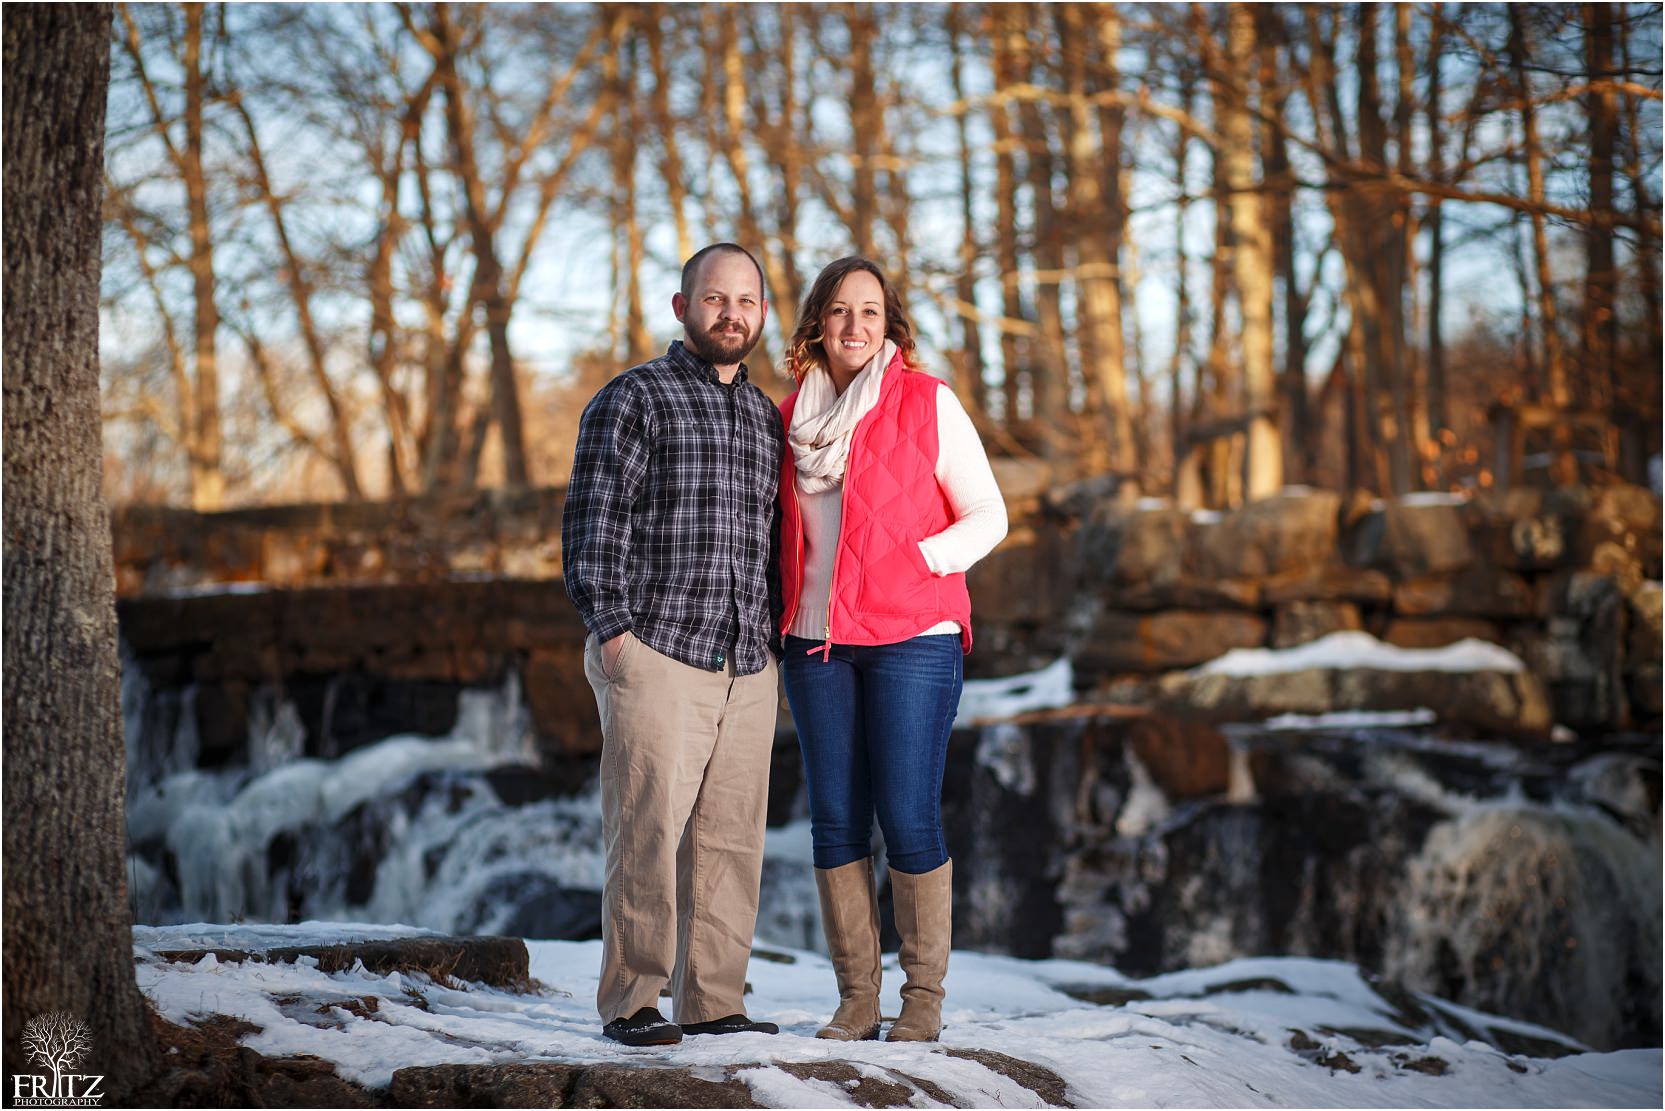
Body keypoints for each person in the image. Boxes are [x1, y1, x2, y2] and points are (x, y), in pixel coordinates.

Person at [776, 257, 1007, 1043]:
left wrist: (919, 563)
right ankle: (855, 999)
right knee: (835, 821)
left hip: (914, 638)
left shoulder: (927, 402)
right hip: (816, 644)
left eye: (869, 312)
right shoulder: (787, 419)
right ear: (816, 322)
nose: (853, 326)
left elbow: (988, 515)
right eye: (839, 311)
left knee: (906, 815)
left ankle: (922, 1000)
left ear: (888, 325)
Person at [562, 243, 785, 1047]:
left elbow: (771, 542)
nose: (731, 313)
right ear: (682, 307)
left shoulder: (767, 417)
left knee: (730, 839)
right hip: (655, 649)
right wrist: (614, 633)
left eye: (746, 301)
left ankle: (712, 999)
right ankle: (632, 1000)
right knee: (647, 831)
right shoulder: (633, 399)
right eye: (715, 299)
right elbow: (594, 525)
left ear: (762, 313)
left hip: (745, 659)